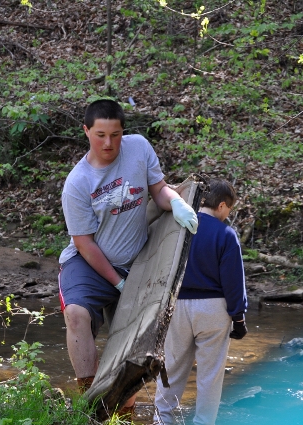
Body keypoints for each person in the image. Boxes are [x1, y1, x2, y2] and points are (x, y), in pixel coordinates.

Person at [58, 99, 199, 417]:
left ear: (124, 132)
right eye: (100, 135)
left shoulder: (139, 148)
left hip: (136, 260)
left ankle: (124, 414)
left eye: (116, 134)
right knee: (77, 315)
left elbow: (158, 189)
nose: (109, 143)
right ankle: (91, 406)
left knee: (131, 350)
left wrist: (176, 202)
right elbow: (84, 244)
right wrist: (119, 282)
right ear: (86, 132)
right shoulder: (77, 184)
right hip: (89, 263)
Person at [153, 178, 248, 425]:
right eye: (229, 209)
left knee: (171, 368)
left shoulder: (179, 225)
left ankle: (162, 419)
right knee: (210, 375)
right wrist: (238, 317)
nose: (228, 215)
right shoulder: (226, 234)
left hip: (177, 306)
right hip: (214, 309)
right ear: (222, 205)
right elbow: (233, 281)